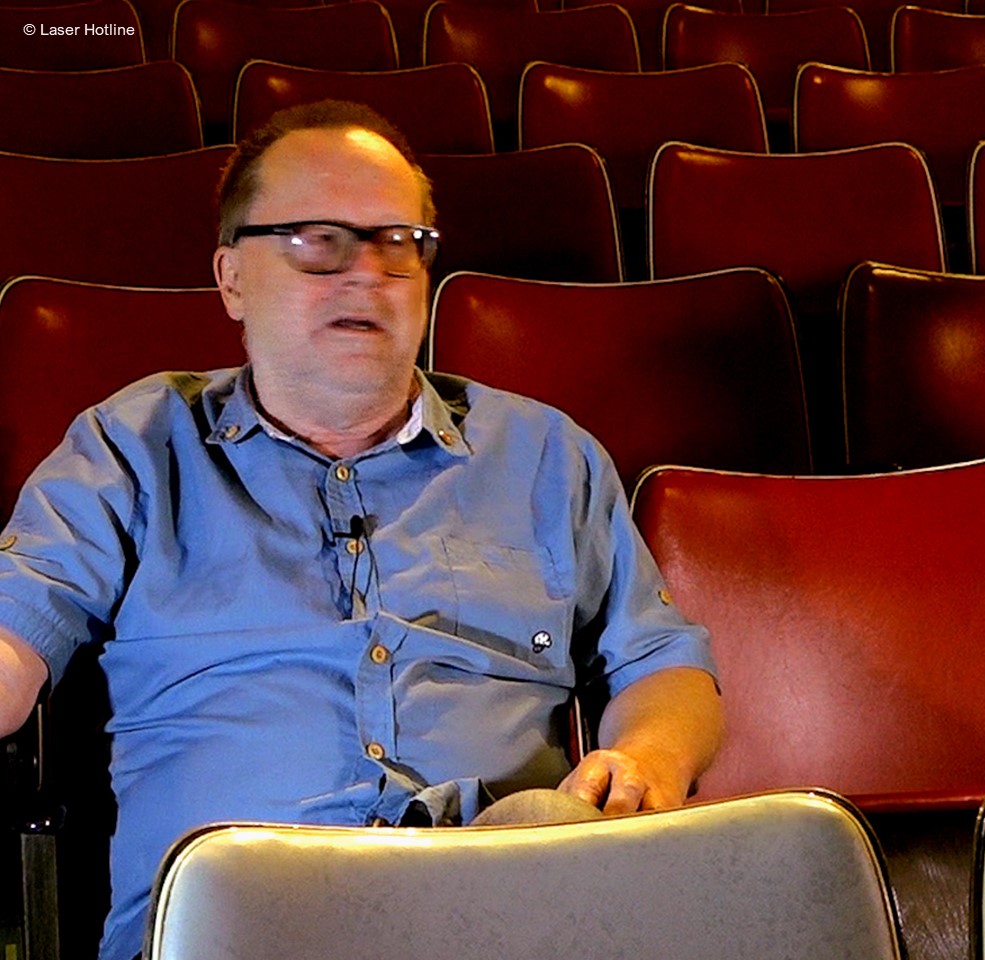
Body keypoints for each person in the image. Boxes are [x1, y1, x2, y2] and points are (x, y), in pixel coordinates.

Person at [0, 101, 723, 960]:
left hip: (504, 900)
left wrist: (645, 754)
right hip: (240, 915)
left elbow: (665, 664)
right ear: (231, 276)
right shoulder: (131, 446)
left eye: (398, 243)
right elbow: (14, 636)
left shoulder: (542, 455)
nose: (366, 274)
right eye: (317, 240)